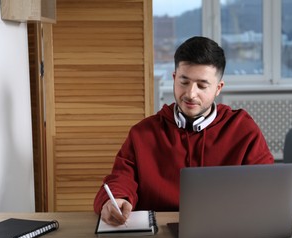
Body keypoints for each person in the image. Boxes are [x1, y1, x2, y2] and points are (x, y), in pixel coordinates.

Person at [94, 36, 274, 226]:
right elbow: (121, 178)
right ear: (174, 78)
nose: (190, 94)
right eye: (184, 82)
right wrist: (115, 199)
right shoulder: (142, 133)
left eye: (202, 86)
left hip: (225, 233)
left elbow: (267, 187)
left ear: (218, 88)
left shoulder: (243, 129)